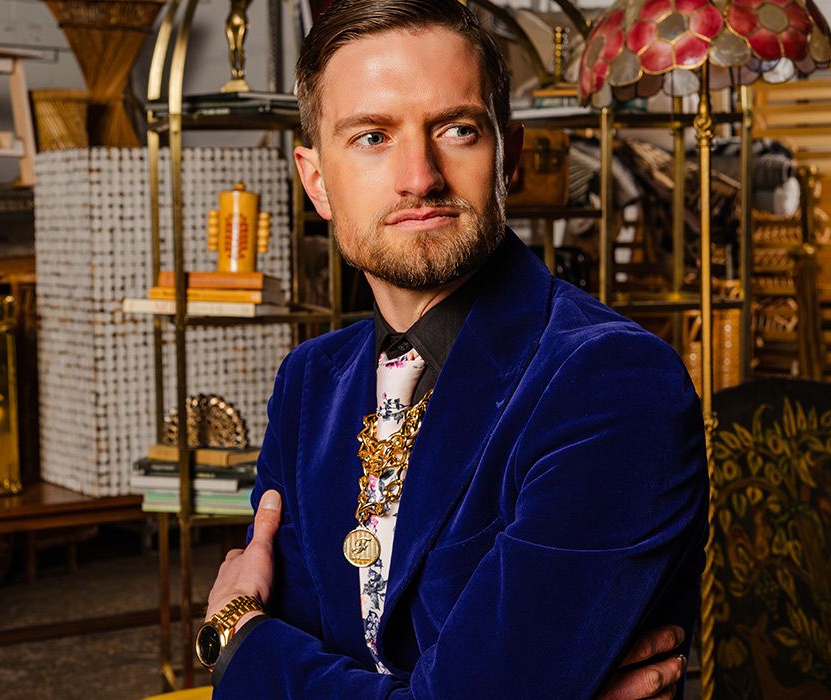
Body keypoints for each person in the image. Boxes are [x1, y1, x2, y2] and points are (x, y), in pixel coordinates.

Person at [197, 1, 709, 697]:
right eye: (372, 137)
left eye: (458, 129)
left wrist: (235, 638)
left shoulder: (611, 384)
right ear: (317, 181)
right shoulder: (307, 382)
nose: (419, 175)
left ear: (510, 159)